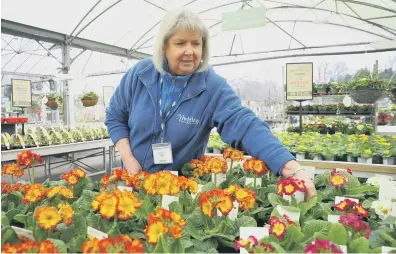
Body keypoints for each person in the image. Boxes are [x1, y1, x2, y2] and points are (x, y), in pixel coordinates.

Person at [105, 8, 317, 199]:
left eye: (196, 43)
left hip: (180, 194)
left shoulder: (212, 87)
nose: (190, 51)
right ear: (164, 47)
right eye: (180, 43)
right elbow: (115, 116)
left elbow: (243, 123)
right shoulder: (140, 74)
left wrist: (287, 164)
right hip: (132, 182)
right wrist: (129, 159)